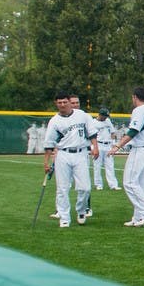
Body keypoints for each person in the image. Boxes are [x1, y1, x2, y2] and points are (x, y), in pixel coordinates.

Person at [42, 91, 98, 227]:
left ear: (69, 102)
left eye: (65, 102)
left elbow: (92, 133)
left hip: (81, 153)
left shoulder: (82, 115)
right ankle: (64, 217)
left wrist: (95, 147)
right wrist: (46, 163)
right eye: (59, 102)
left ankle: (81, 210)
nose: (62, 104)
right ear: (56, 104)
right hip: (63, 154)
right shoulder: (54, 121)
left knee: (85, 188)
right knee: (62, 188)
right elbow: (49, 144)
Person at [111, 87, 144, 227]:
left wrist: (117, 146)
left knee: (129, 182)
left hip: (140, 149)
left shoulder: (139, 110)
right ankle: (138, 217)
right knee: (142, 185)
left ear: (135, 97)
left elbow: (134, 130)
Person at [91, 107, 120, 191]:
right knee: (97, 166)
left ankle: (113, 185)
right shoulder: (93, 123)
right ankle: (98, 184)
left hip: (107, 145)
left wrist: (113, 144)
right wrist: (93, 147)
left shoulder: (107, 121)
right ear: (100, 115)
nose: (106, 117)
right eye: (104, 116)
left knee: (110, 165)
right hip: (98, 144)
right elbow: (92, 136)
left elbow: (112, 132)